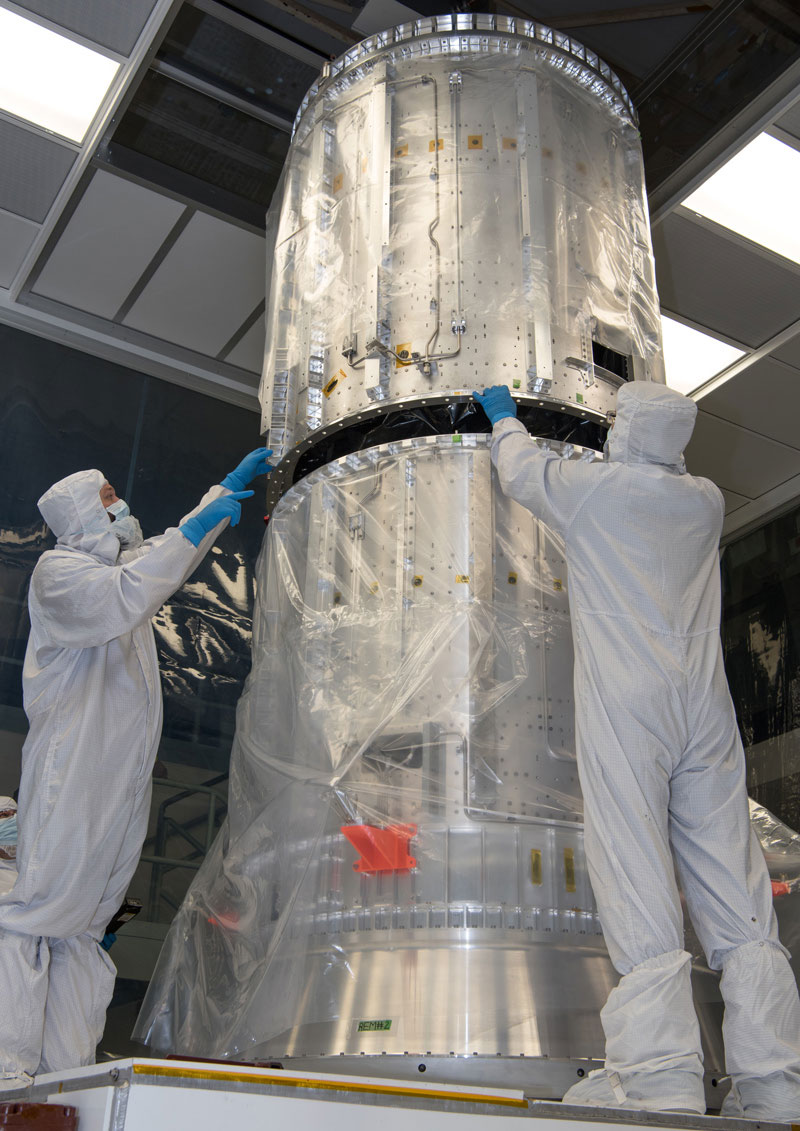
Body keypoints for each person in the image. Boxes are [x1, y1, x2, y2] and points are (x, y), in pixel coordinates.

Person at [473, 382, 800, 1122]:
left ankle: (659, 1075)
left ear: (627, 432)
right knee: (733, 880)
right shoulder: (705, 500)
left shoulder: (596, 491)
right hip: (704, 710)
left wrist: (502, 418)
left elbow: (522, 472)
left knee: (634, 858)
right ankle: (776, 1078)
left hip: (632, 700)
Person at [0, 448, 271, 1088]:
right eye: (108, 497)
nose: (122, 506)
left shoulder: (119, 569)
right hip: (74, 764)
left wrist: (219, 494)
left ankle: (63, 1072)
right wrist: (197, 529)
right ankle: (9, 1064)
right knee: (37, 913)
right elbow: (131, 590)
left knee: (84, 928)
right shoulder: (59, 574)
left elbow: (159, 560)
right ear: (78, 511)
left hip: (118, 777)